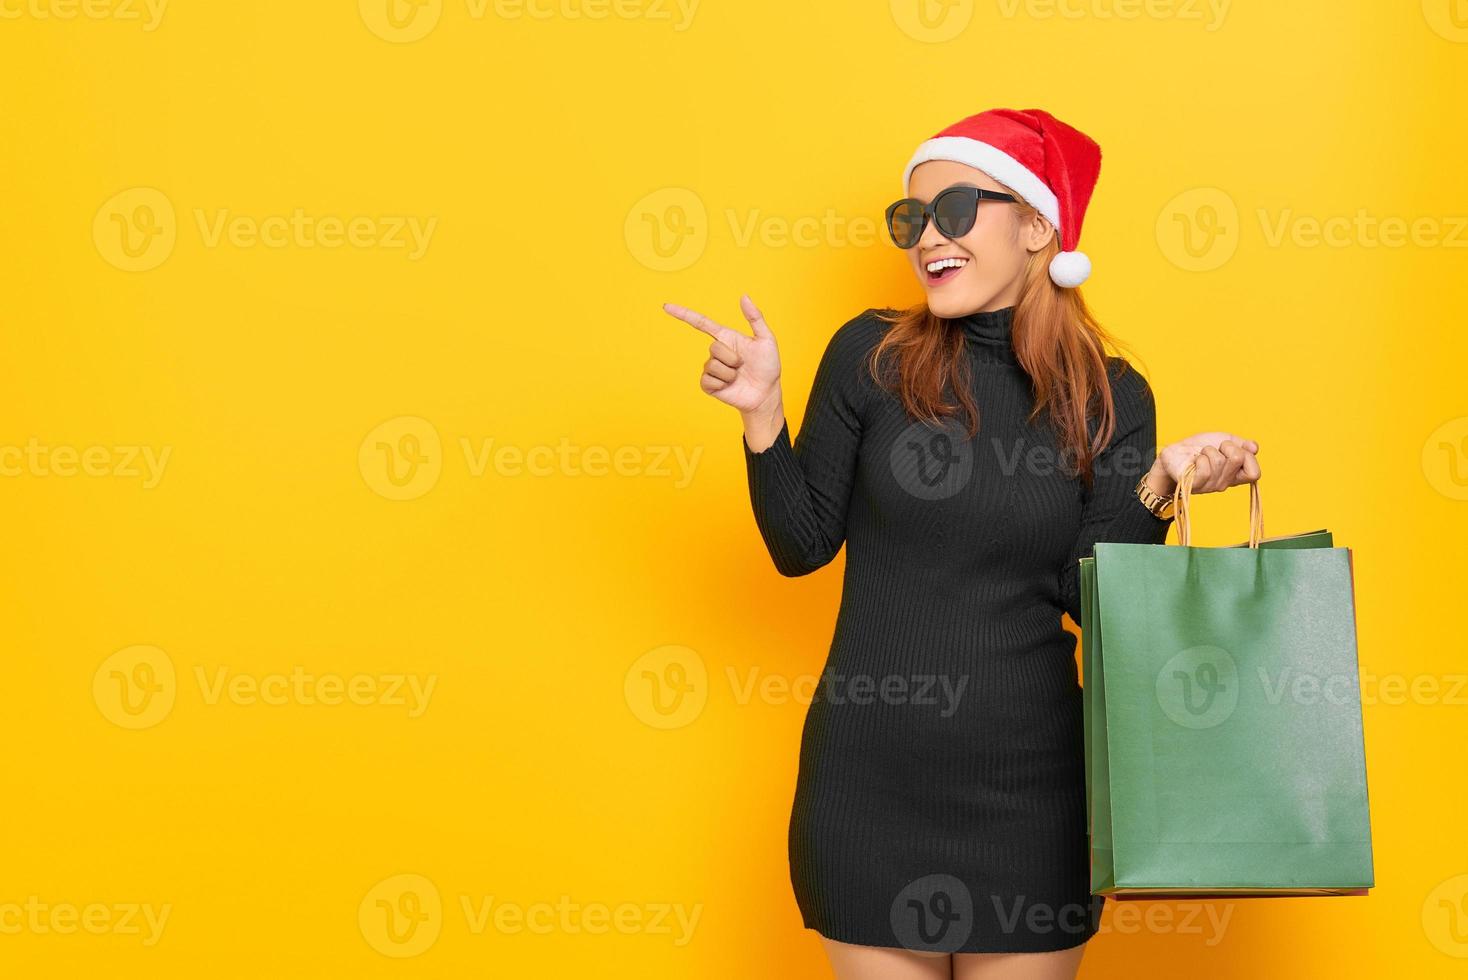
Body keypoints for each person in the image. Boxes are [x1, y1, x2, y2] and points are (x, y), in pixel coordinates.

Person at [662, 107, 1260, 980]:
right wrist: (762, 417)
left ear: (1036, 225)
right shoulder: (868, 356)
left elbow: (1095, 604)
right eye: (910, 220)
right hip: (870, 786)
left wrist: (1159, 486)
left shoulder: (1112, 396)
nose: (924, 239)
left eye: (952, 211)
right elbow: (799, 545)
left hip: (1031, 795)